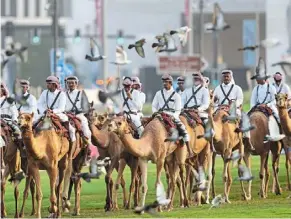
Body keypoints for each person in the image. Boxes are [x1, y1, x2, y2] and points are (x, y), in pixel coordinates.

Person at [152, 74, 193, 158]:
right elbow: (154, 105)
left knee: (183, 129)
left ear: (170, 83)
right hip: (160, 115)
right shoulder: (158, 93)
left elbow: (178, 110)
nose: (164, 84)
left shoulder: (176, 95)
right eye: (163, 82)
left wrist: (173, 116)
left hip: (172, 115)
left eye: (166, 82)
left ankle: (189, 149)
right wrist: (156, 113)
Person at [213, 70, 254, 150]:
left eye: (227, 76)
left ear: (231, 77)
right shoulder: (218, 88)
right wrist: (217, 107)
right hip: (220, 109)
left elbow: (240, 99)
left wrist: (232, 105)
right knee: (210, 120)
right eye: (224, 77)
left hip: (233, 109)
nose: (226, 78)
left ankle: (247, 139)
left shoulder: (237, 88)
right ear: (222, 78)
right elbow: (215, 101)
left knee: (244, 120)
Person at [37, 76, 76, 142]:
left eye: (49, 83)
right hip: (46, 114)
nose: (47, 85)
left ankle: (72, 142)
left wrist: (53, 111)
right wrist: (44, 110)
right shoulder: (44, 92)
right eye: (47, 83)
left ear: (54, 84)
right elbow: (39, 104)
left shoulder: (62, 94)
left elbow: (62, 108)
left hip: (58, 114)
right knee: (33, 124)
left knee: (71, 130)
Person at [250, 71, 284, 141]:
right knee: (246, 118)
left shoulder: (271, 88)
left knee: (278, 117)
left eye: (257, 78)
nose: (256, 80)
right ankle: (246, 138)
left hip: (269, 106)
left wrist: (266, 105)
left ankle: (281, 134)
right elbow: (252, 101)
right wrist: (256, 106)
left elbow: (274, 100)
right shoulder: (255, 89)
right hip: (257, 107)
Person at [65, 76, 95, 147]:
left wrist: (78, 112)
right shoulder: (63, 94)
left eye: (72, 83)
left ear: (76, 84)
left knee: (86, 129)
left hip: (78, 115)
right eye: (69, 83)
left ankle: (88, 147)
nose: (70, 85)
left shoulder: (81, 93)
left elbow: (86, 107)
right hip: (66, 115)